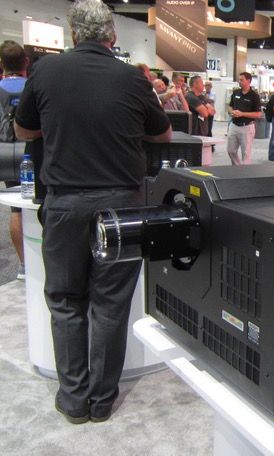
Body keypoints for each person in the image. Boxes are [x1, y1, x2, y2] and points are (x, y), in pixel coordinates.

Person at [14, 0, 172, 425]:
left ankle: (73, 399)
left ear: (72, 32)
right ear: (113, 35)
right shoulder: (133, 78)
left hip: (64, 203)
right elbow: (164, 132)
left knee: (65, 300)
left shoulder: (45, 71)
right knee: (110, 304)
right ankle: (102, 401)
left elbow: (23, 129)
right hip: (122, 206)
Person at [0, 40, 28, 280]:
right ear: (25, 62)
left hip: (5, 156)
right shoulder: (34, 87)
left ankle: (23, 265)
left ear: (2, 64)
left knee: (16, 209)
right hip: (33, 152)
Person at [227, 72, 262, 165]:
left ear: (249, 81)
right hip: (234, 125)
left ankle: (245, 173)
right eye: (239, 80)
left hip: (247, 127)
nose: (239, 82)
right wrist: (232, 112)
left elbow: (258, 114)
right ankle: (238, 169)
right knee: (231, 151)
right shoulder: (236, 93)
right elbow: (230, 106)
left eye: (242, 80)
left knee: (245, 154)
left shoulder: (254, 96)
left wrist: (242, 114)